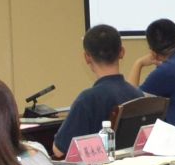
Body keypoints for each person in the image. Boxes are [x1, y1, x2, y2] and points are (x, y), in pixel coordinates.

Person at [54, 25, 144, 157]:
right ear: (122, 52)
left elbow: (59, 150)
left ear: (87, 57)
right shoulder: (138, 95)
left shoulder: (87, 100)